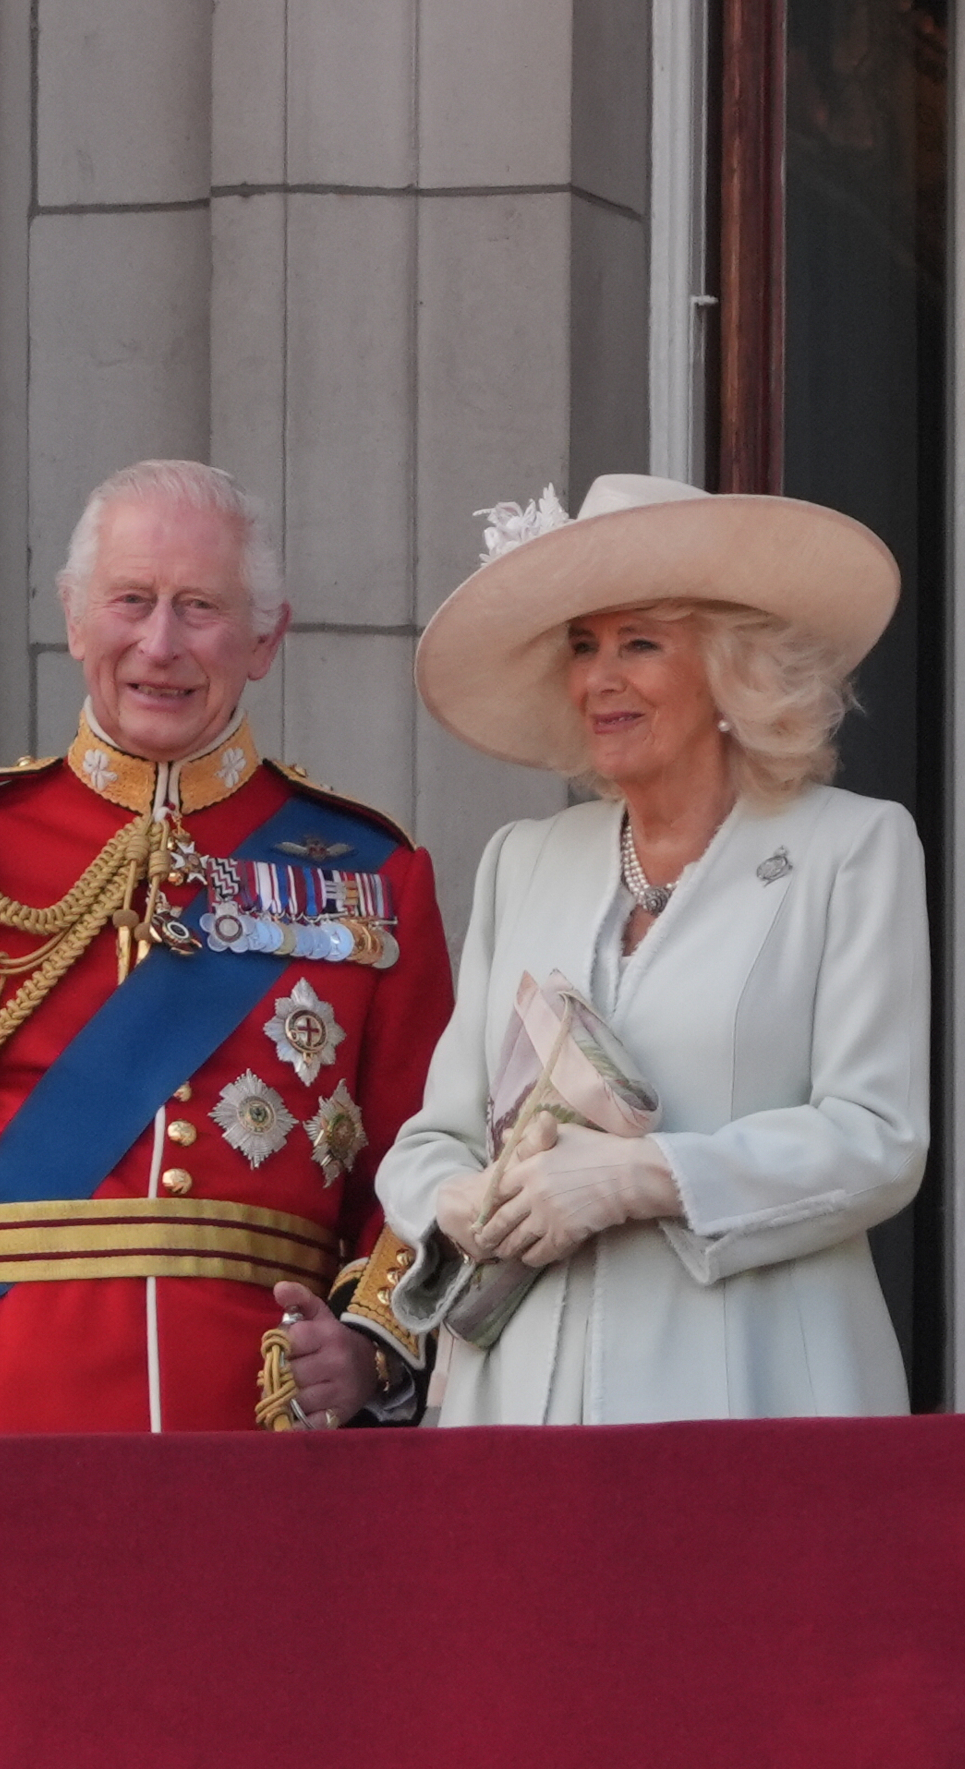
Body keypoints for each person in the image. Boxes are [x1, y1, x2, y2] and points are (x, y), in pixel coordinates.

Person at [0, 460, 453, 1438]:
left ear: (267, 636)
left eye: (201, 608)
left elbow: (419, 1154)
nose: (161, 643)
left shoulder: (372, 871)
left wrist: (369, 1346)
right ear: (75, 617)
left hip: (259, 1419)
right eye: (131, 601)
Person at [377, 474, 922, 1422]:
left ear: (729, 667)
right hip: (519, 1405)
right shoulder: (525, 860)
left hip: (753, 1395)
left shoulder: (853, 849)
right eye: (584, 646)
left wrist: (643, 1177)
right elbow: (435, 1136)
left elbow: (877, 1137)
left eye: (640, 643)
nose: (600, 677)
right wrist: (455, 1204)